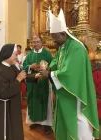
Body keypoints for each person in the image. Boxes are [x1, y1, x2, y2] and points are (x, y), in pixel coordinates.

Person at [39, 9, 99, 139]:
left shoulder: (77, 48)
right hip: (66, 91)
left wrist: (49, 75)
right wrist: (49, 68)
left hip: (76, 92)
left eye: (55, 37)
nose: (53, 40)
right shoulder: (64, 46)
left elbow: (70, 73)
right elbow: (57, 62)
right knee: (68, 120)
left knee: (79, 118)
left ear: (63, 33)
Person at [0, 44, 42, 140]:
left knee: (14, 130)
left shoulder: (12, 67)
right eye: (15, 55)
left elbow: (22, 76)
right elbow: (4, 93)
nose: (17, 57)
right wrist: (17, 80)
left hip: (12, 105)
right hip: (3, 107)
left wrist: (37, 76)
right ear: (7, 54)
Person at [22, 36, 53, 135]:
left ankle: (47, 124)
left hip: (43, 83)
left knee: (45, 101)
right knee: (33, 101)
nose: (35, 44)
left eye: (37, 42)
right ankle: (35, 122)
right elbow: (24, 66)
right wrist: (31, 66)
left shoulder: (47, 54)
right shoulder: (29, 55)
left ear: (41, 42)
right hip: (33, 83)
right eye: (33, 42)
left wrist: (45, 68)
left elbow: (52, 66)